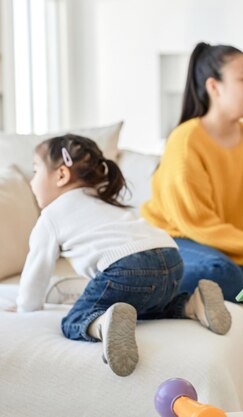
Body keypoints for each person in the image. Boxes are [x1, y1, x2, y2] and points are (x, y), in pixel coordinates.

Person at [14, 134, 231, 377]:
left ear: (61, 175)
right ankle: (193, 304)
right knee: (144, 306)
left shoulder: (51, 216)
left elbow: (37, 269)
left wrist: (26, 307)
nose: (32, 182)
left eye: (35, 171)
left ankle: (104, 323)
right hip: (170, 257)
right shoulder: (105, 202)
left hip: (126, 266)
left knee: (75, 319)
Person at [141, 42, 243, 302]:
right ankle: (144, 282)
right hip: (178, 239)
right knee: (219, 272)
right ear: (214, 86)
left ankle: (210, 290)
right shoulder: (186, 139)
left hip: (221, 249)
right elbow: (197, 224)